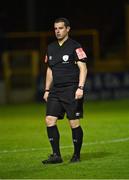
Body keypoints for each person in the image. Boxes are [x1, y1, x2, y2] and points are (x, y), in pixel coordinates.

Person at [42, 17, 88, 164]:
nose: (58, 31)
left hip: (71, 89)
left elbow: (83, 68)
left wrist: (80, 87)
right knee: (49, 120)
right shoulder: (50, 48)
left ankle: (76, 155)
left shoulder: (75, 46)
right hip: (55, 91)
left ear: (67, 29)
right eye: (55, 28)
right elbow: (49, 70)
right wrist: (47, 89)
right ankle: (56, 155)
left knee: (73, 122)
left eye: (61, 28)